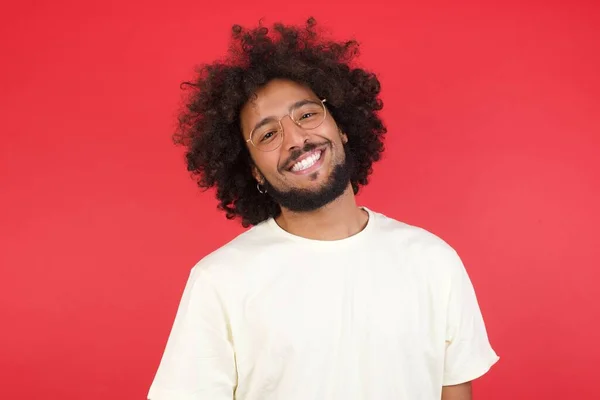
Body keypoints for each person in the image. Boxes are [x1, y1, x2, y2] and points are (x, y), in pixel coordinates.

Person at [148, 18, 499, 400]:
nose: (296, 139)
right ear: (253, 172)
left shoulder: (433, 261)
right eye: (268, 134)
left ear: (342, 126)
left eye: (307, 114)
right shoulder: (219, 281)